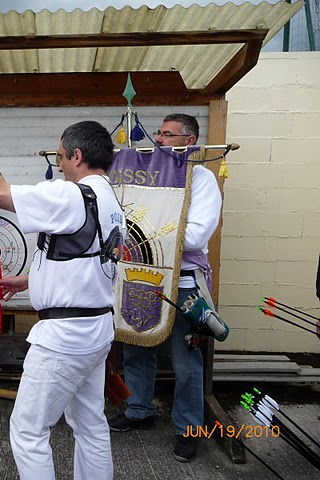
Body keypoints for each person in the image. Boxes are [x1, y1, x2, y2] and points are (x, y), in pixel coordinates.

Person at [0, 121, 126, 479]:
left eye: (61, 156)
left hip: (64, 339)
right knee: (90, 425)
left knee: (29, 432)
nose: (61, 164)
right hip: (96, 329)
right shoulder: (112, 202)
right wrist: (31, 280)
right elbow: (87, 259)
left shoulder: (72, 195)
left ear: (77, 156)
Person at [109, 113, 222, 462]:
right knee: (136, 348)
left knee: (186, 362)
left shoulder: (200, 178)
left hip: (183, 283)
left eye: (168, 134)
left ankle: (188, 428)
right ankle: (139, 411)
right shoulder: (142, 175)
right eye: (158, 133)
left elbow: (196, 236)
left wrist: (140, 234)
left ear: (189, 141)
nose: (158, 139)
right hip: (138, 274)